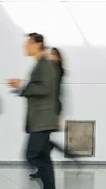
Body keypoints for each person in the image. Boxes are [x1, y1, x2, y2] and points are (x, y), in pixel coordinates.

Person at [9, 33, 60, 189]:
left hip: (42, 119)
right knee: (43, 157)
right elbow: (39, 88)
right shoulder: (40, 64)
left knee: (32, 154)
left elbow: (44, 88)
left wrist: (22, 85)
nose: (26, 47)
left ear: (38, 44)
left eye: (28, 44)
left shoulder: (45, 64)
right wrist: (21, 88)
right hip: (40, 118)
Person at [29, 47, 77, 179]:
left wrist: (56, 113)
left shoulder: (57, 72)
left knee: (43, 142)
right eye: (51, 55)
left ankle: (68, 155)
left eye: (54, 55)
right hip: (49, 108)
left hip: (53, 108)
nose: (51, 57)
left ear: (59, 58)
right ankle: (44, 168)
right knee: (44, 142)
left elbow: (56, 93)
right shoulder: (52, 70)